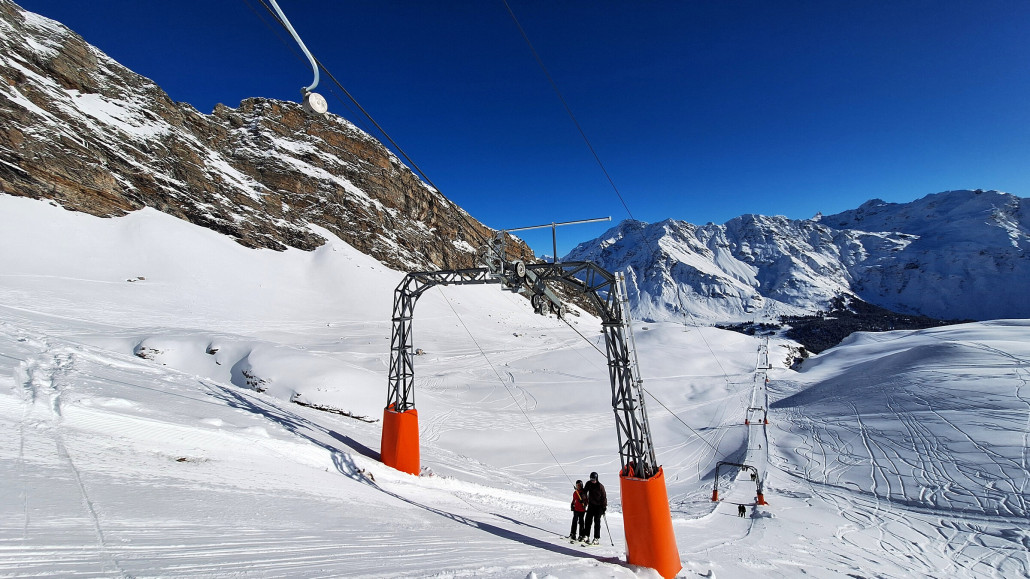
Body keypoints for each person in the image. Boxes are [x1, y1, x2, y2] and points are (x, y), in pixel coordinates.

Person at [581, 471, 607, 544]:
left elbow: (604, 497)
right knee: (588, 520)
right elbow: (584, 491)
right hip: (591, 505)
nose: (592, 481)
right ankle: (586, 536)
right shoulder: (588, 483)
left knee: (597, 521)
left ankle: (596, 538)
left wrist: (604, 507)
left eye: (594, 480)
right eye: (591, 479)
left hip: (599, 506)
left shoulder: (600, 486)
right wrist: (583, 497)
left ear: (597, 479)